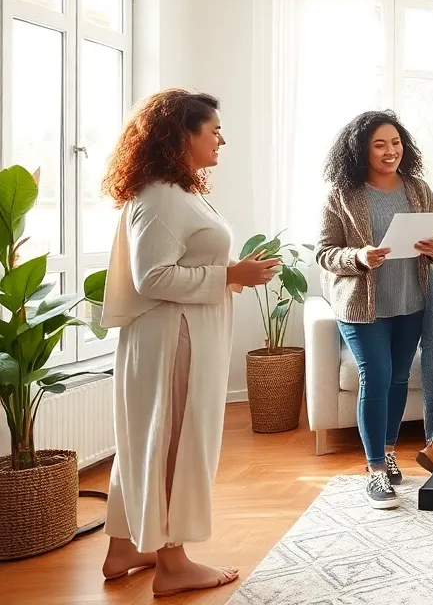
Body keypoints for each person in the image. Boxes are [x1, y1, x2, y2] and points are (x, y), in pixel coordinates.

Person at [99, 89, 280, 596]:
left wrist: (234, 275)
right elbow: (152, 277)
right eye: (213, 130)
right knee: (175, 441)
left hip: (174, 334)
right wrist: (227, 273)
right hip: (172, 340)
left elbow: (179, 264)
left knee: (149, 441)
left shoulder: (174, 192)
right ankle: (173, 563)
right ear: (183, 134)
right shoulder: (160, 198)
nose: (222, 138)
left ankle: (126, 547)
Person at [316, 110, 433, 509]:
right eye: (380, 144)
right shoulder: (341, 194)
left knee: (395, 381)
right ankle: (375, 471)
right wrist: (358, 256)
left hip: (411, 302)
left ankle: (389, 455)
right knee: (374, 377)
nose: (391, 151)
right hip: (362, 307)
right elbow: (325, 253)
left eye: (396, 143)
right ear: (361, 150)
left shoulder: (417, 188)